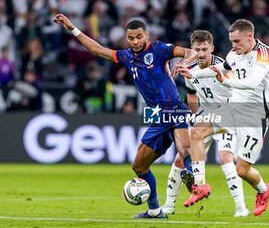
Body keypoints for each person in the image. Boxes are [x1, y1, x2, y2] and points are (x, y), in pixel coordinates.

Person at [53, 13, 197, 219]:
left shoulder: (159, 49)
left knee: (184, 149)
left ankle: (196, 180)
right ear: (126, 38)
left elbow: (188, 52)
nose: (135, 41)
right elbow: (96, 49)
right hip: (157, 116)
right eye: (131, 38)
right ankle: (155, 211)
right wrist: (72, 28)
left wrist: (186, 64)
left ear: (146, 35)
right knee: (139, 166)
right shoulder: (126, 56)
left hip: (174, 107)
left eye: (139, 37)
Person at [176, 19, 269, 216]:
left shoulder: (265, 54)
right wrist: (192, 74)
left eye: (237, 41)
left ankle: (263, 190)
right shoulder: (233, 55)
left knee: (242, 170)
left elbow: (253, 83)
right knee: (196, 132)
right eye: (231, 41)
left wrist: (227, 83)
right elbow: (219, 70)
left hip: (255, 116)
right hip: (231, 110)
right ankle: (200, 185)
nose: (233, 46)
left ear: (249, 37)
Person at [161, 30, 249, 217]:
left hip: (227, 114)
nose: (201, 53)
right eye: (197, 49)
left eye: (204, 49)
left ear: (212, 49)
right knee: (180, 159)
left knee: (225, 158)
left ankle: (240, 207)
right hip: (206, 115)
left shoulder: (223, 67)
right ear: (192, 49)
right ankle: (168, 206)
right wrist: (194, 115)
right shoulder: (190, 70)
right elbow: (191, 94)